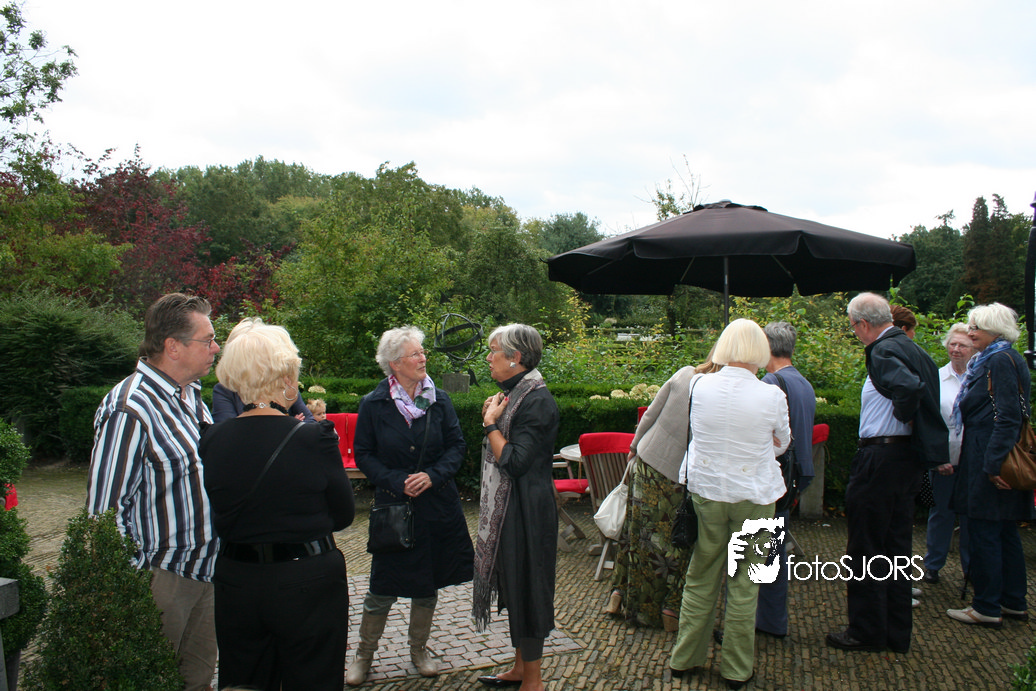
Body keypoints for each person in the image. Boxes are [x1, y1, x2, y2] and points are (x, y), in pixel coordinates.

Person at [200, 321, 354, 690]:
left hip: (237, 581)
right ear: (286, 377)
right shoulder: (314, 438)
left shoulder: (212, 438)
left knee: (246, 680)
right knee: (314, 678)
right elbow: (344, 514)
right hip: (307, 581)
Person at [87, 293, 222, 691]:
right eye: (208, 340)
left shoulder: (191, 396)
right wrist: (135, 587)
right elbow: (104, 513)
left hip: (207, 572)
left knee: (197, 680)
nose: (216, 348)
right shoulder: (130, 408)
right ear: (173, 347)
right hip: (161, 580)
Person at [668, 319, 791, 690]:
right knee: (746, 583)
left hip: (707, 491)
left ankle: (685, 658)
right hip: (756, 495)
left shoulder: (699, 385)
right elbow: (783, 443)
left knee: (700, 575)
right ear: (760, 350)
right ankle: (736, 669)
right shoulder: (771, 394)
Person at [349, 326, 472, 686]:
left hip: (435, 508)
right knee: (381, 587)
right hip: (394, 511)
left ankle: (419, 650)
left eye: (422, 352)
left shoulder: (440, 399)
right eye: (415, 354)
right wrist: (395, 480)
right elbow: (364, 454)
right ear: (395, 363)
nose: (423, 358)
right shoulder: (373, 404)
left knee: (426, 585)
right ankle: (364, 654)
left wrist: (433, 475)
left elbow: (457, 447)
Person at [826, 292, 947, 654]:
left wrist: (904, 413)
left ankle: (865, 631)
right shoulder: (915, 349)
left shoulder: (882, 349)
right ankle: (895, 631)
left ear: (863, 324)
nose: (855, 333)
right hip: (905, 458)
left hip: (881, 457)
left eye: (853, 327)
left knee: (865, 547)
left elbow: (908, 388)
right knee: (896, 546)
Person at [604, 352, 721, 630]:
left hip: (649, 463)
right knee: (675, 543)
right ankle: (667, 609)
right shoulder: (722, 395)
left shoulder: (685, 375)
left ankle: (618, 594)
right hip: (683, 477)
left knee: (635, 534)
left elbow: (650, 415)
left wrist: (634, 447)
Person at [474, 324, 560, 691]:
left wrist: (490, 424)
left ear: (516, 358)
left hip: (528, 511)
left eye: (494, 351)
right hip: (516, 505)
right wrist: (494, 420)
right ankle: (521, 668)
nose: (488, 357)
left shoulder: (537, 400)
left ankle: (534, 681)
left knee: (529, 587)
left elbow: (514, 461)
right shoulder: (516, 393)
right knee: (516, 584)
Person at [947, 303, 1033, 628]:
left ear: (994, 331)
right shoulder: (1006, 357)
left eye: (976, 328)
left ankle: (986, 606)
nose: (970, 333)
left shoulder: (997, 360)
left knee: (984, 533)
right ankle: (1012, 601)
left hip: (989, 457)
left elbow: (1008, 416)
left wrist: (993, 465)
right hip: (992, 453)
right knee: (1005, 532)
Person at [755, 321, 815, 639]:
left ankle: (765, 621)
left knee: (764, 551)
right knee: (774, 547)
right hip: (797, 475)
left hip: (777, 475)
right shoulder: (803, 382)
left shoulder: (771, 383)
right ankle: (771, 619)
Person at [922, 323, 973, 585]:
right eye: (952, 344)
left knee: (971, 517)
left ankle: (971, 568)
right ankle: (933, 565)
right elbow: (929, 421)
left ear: (973, 349)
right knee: (940, 513)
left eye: (962, 345)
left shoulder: (980, 377)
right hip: (944, 460)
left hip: (973, 461)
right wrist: (937, 458)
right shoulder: (937, 378)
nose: (956, 349)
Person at [211, 318, 314, 424]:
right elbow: (227, 428)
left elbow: (310, 420)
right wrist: (290, 423)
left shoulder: (284, 383)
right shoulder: (224, 390)